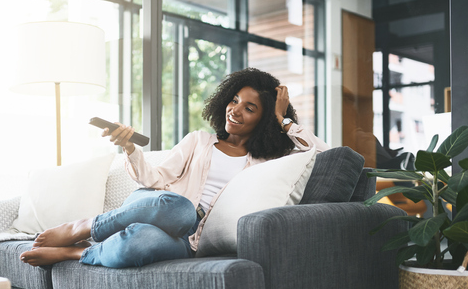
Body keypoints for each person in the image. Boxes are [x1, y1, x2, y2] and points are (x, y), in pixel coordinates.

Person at [20, 67, 329, 268]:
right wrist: (129, 147)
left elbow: (322, 154)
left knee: (139, 242)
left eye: (250, 108)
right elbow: (153, 179)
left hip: (191, 241)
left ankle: (77, 253)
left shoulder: (267, 162)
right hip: (163, 209)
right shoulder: (198, 141)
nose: (235, 110)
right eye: (234, 100)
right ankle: (84, 227)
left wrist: (283, 120)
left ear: (263, 120)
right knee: (180, 209)